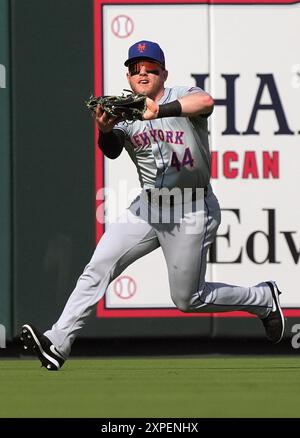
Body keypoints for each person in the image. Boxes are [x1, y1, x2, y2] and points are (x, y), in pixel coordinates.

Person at [21, 40, 285, 371]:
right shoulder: (126, 110)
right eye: (135, 68)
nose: (143, 73)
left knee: (188, 300)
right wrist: (104, 130)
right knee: (98, 267)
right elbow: (113, 148)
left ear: (163, 73)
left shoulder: (181, 93)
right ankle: (57, 343)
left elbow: (205, 101)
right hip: (147, 207)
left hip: (191, 209)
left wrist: (161, 110)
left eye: (150, 68)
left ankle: (261, 298)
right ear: (128, 76)